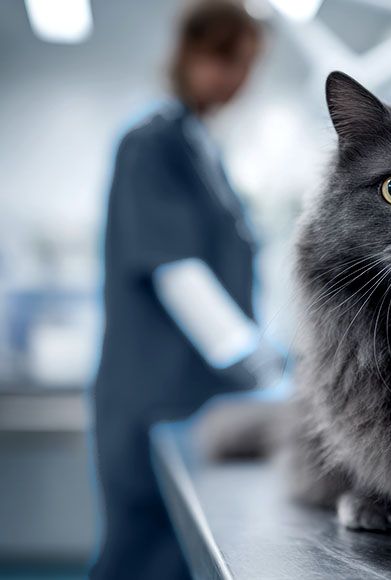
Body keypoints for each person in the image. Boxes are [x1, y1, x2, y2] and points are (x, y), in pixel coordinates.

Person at [90, 2, 284, 578]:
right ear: (193, 56)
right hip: (154, 398)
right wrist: (252, 358)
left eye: (247, 65)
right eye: (231, 62)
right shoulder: (151, 145)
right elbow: (176, 271)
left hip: (196, 401)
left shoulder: (203, 150)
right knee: (142, 556)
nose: (240, 80)